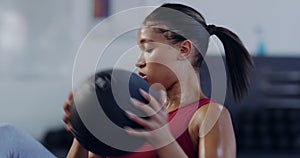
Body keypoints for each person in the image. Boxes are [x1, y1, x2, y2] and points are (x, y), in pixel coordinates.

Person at [64, 2, 254, 158]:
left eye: (148, 50)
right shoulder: (131, 113)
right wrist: (83, 130)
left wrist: (163, 140)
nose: (139, 62)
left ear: (183, 50)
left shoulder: (209, 116)